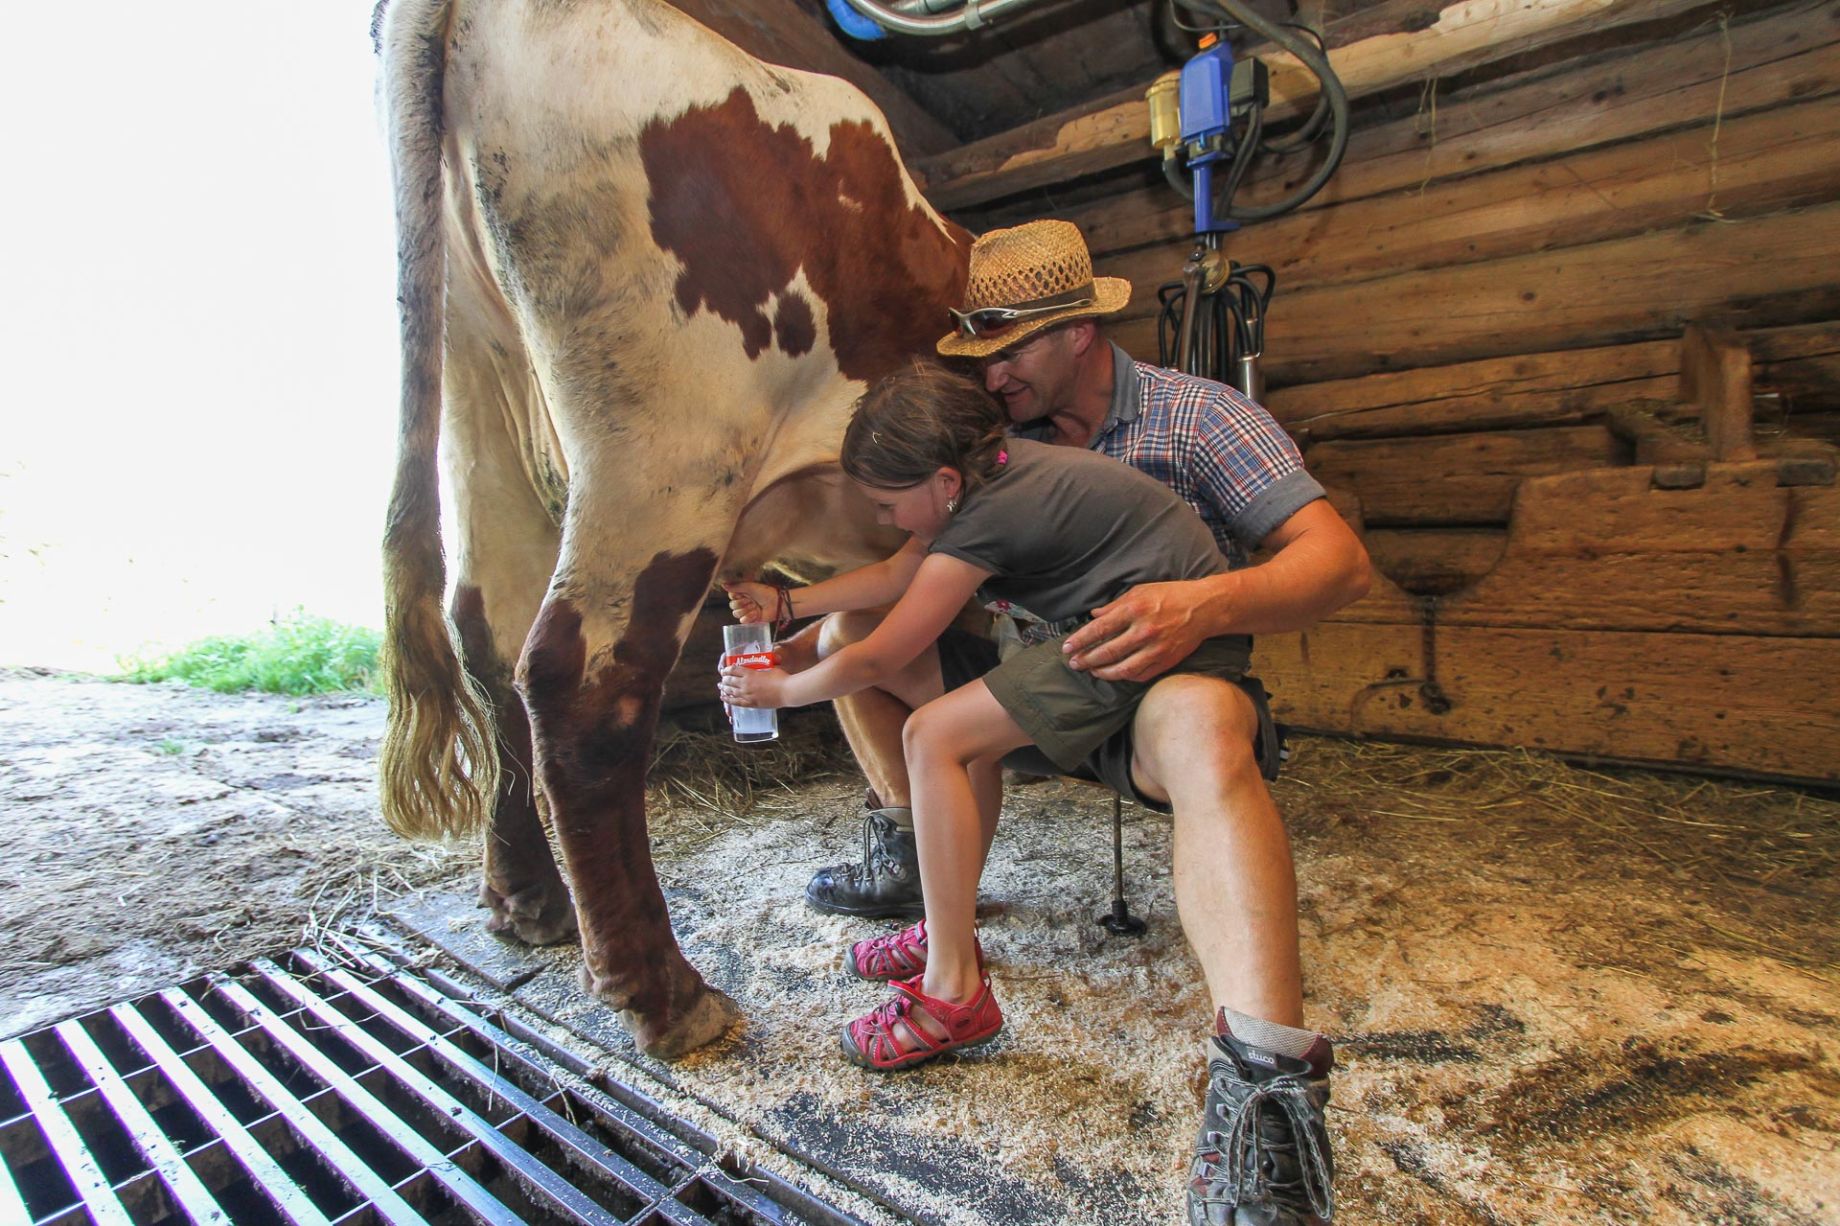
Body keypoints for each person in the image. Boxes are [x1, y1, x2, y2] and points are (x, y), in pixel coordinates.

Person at [751, 219, 1368, 1226]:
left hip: (1154, 679)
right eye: (977, 356)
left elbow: (1339, 565)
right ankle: (925, 879)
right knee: (857, 638)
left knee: (1203, 718)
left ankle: (1265, 1088)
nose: (991, 375)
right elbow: (905, 582)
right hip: (1035, 666)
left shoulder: (1195, 416)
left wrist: (1201, 606)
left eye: (1012, 349)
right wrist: (788, 615)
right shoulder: (996, 446)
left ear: (1080, 329)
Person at [723, 361, 1258, 1077]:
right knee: (960, 740)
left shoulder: (988, 512)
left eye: (886, 504)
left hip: (1158, 644)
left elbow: (883, 656)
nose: (883, 520)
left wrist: (782, 695)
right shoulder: (991, 472)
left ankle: (954, 996)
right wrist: (789, 609)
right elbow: (893, 577)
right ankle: (948, 934)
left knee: (934, 732)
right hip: (1104, 631)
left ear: (945, 483)